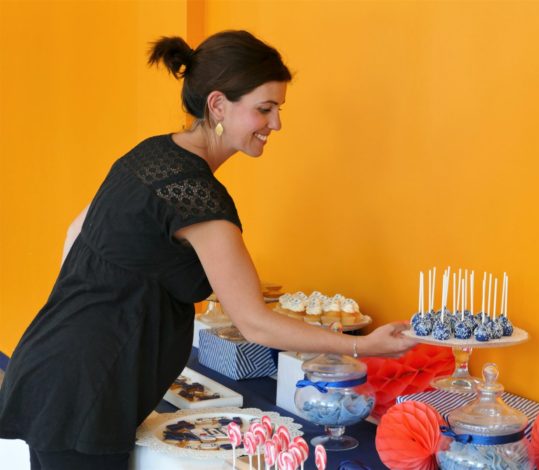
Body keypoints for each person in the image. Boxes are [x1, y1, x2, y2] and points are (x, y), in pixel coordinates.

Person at [0, 30, 417, 470]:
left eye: (278, 109)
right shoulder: (197, 196)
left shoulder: (150, 155)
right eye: (264, 109)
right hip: (88, 393)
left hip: (54, 364)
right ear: (218, 105)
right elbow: (254, 323)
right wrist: (365, 345)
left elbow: (74, 233)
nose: (276, 124)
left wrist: (91, 316)